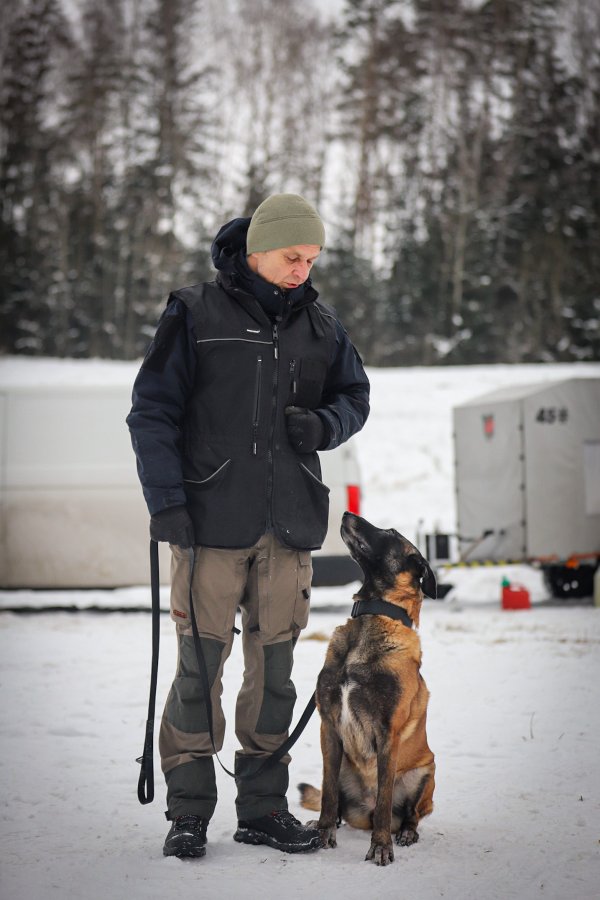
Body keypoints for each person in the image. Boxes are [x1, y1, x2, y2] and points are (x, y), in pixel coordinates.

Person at [127, 193, 370, 859]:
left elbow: (356, 396)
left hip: (288, 528)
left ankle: (263, 809)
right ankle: (188, 812)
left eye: (312, 259)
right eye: (292, 256)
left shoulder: (321, 325)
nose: (302, 269)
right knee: (198, 672)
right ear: (257, 249)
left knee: (276, 675)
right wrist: (166, 501)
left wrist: (324, 425)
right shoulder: (195, 312)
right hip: (207, 525)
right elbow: (152, 411)